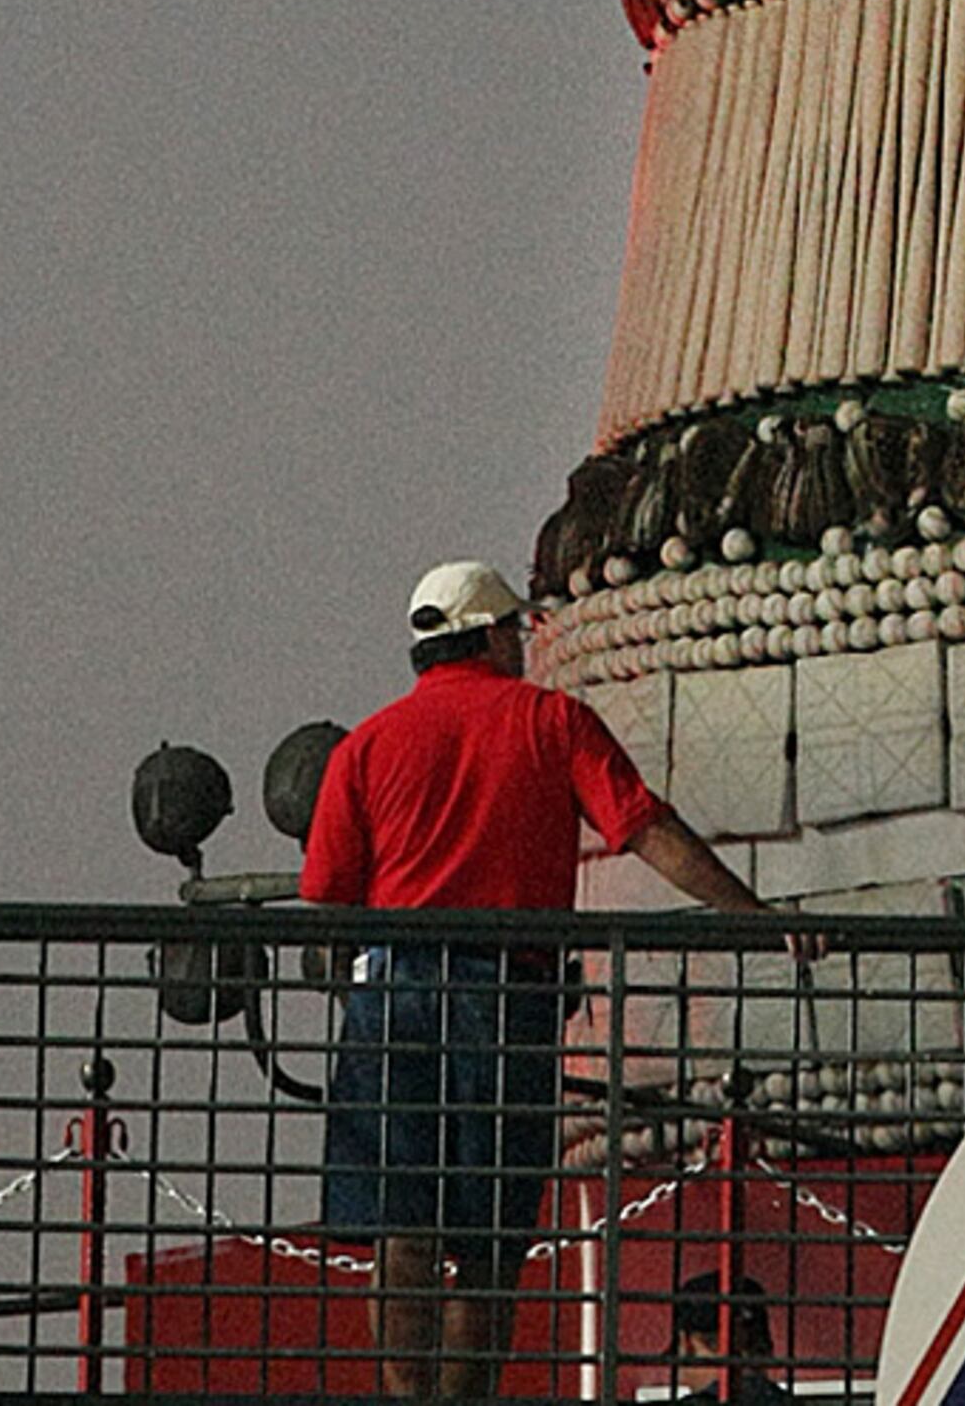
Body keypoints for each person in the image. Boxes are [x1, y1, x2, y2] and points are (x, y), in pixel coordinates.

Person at [300, 558, 802, 1406]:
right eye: (517, 631)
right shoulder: (552, 722)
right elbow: (646, 829)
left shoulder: (367, 746)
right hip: (508, 996)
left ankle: (403, 1398)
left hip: (395, 995)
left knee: (403, 1230)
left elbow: (325, 901)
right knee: (491, 1238)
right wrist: (750, 913)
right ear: (495, 635)